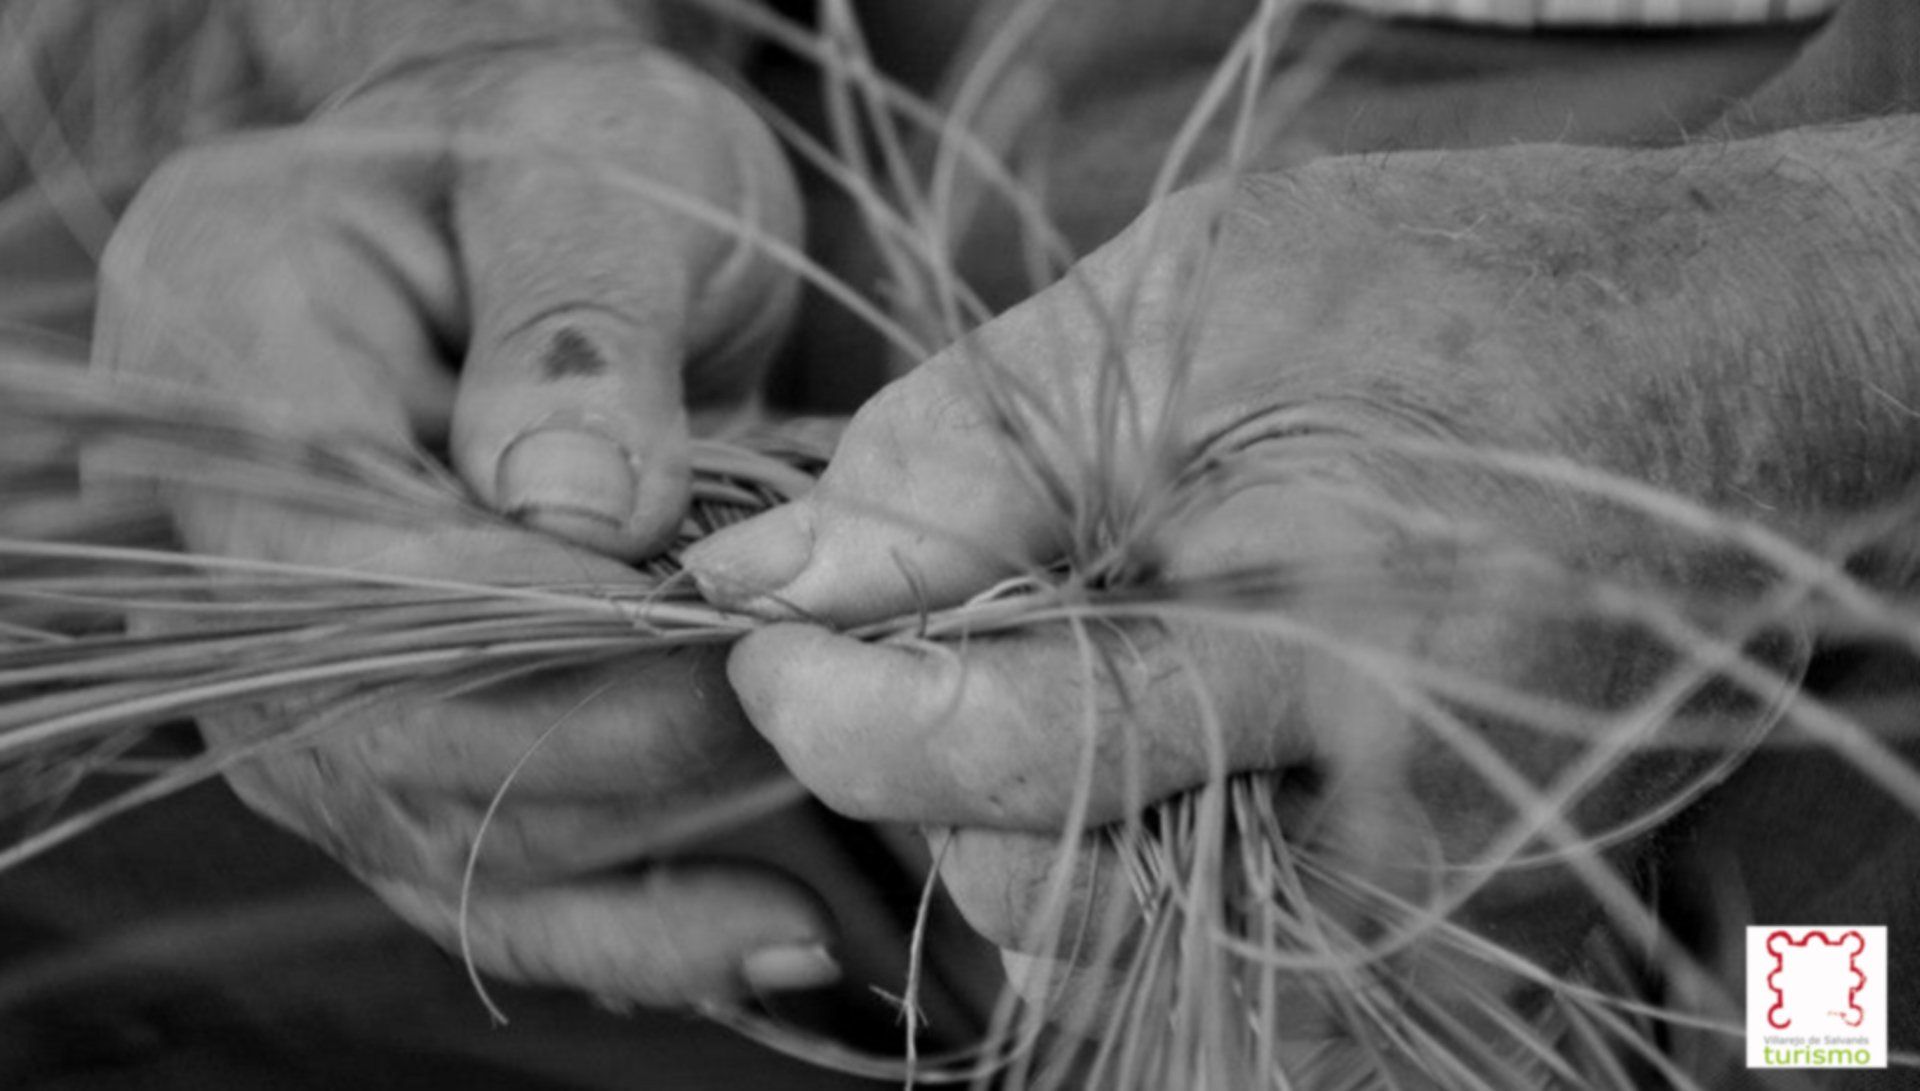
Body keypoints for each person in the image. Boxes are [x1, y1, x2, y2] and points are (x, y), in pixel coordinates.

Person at [8, 0, 1917, 1084]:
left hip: (1802, 747)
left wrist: (1820, 300)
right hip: (764, 813)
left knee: (1828, 1007)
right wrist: (473, 58)